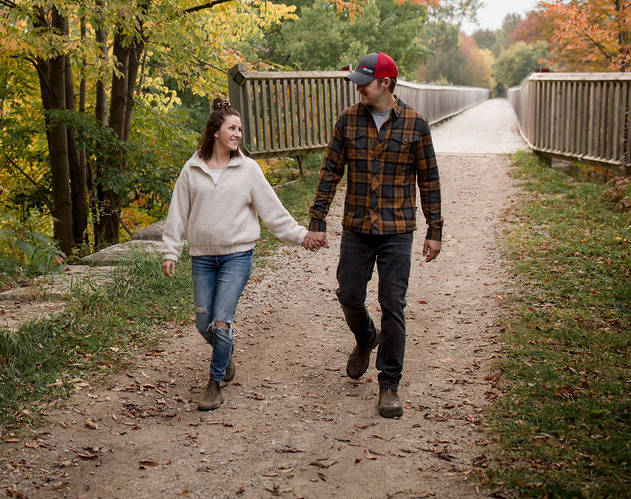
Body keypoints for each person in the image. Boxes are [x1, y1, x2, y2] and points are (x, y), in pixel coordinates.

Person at [162, 97, 325, 411]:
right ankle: (225, 352)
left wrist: (303, 236)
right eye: (231, 128)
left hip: (238, 256)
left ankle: (214, 381)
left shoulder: (248, 169)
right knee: (203, 323)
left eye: (239, 129)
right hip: (202, 258)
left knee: (221, 322)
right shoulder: (192, 167)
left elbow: (273, 213)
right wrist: (171, 251)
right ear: (215, 132)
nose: (237, 134)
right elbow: (178, 213)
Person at [305, 52, 443, 418]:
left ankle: (389, 385)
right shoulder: (348, 121)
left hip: (398, 229)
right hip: (357, 227)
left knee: (392, 303)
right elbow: (330, 172)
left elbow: (429, 181)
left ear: (385, 83)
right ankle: (366, 337)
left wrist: (435, 230)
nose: (358, 89)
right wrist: (317, 219)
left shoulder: (416, 125)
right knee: (349, 293)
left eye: (364, 83)